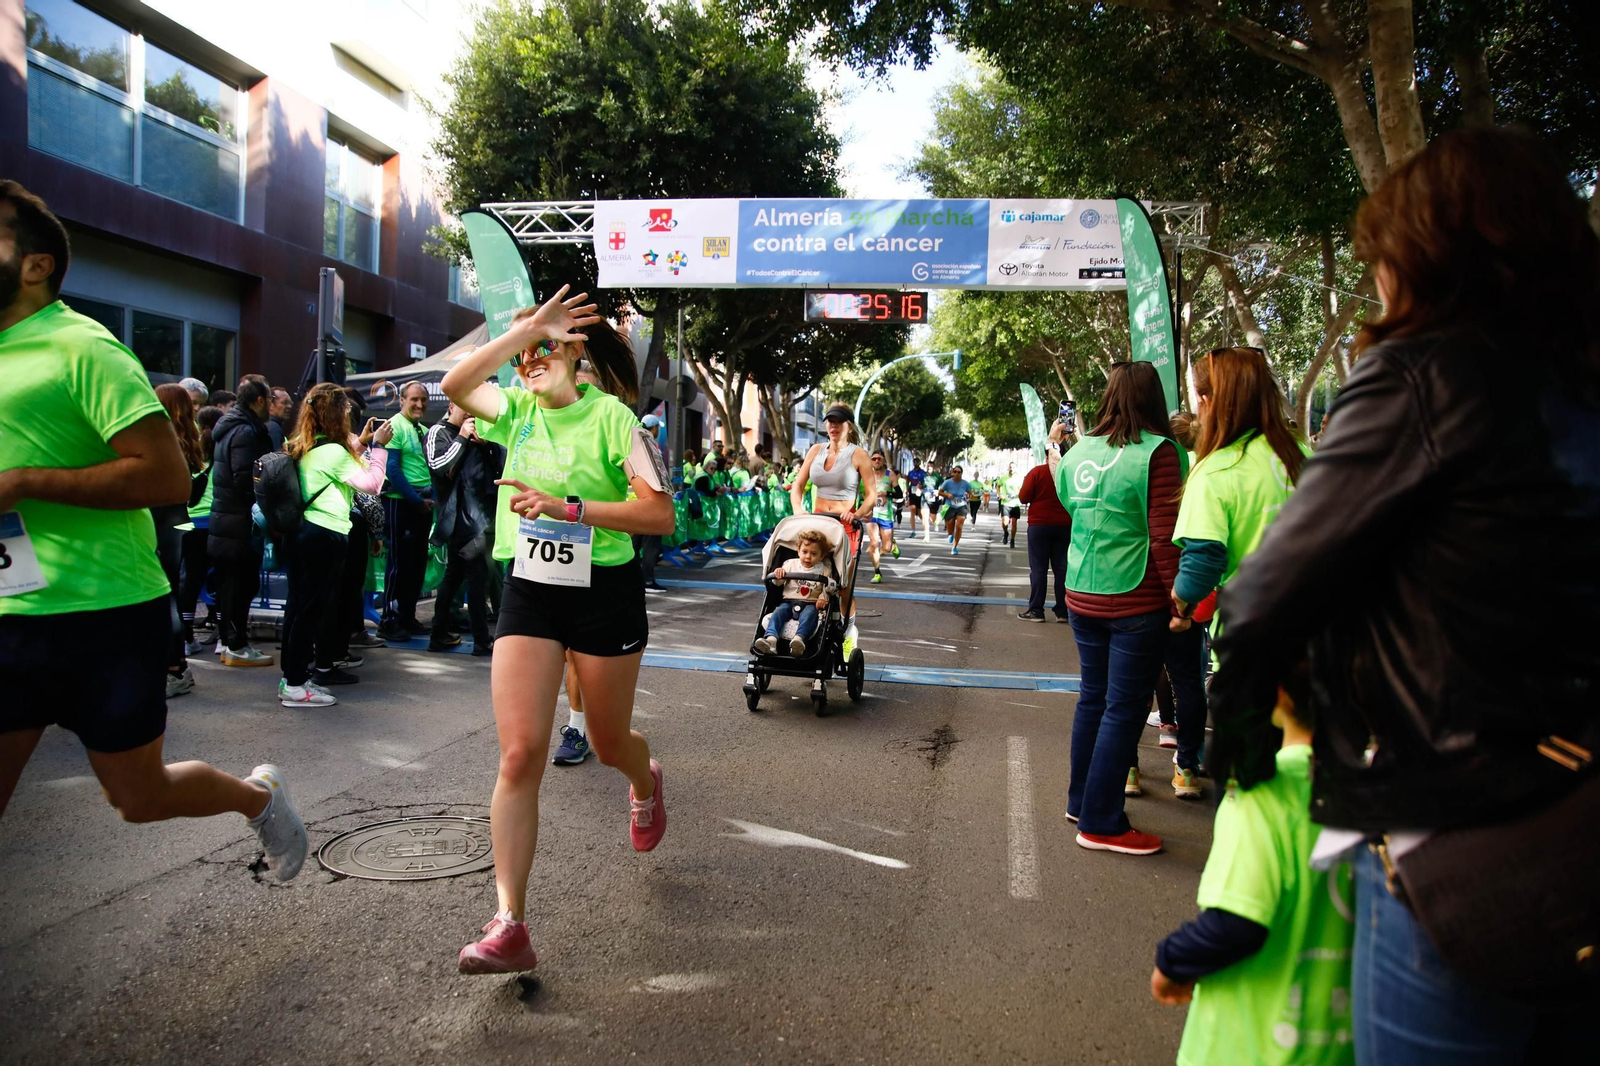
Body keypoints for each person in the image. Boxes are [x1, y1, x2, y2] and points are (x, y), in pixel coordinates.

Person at [1206, 127, 1598, 1061]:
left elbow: (1265, 593)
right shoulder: (1581, 384)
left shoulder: (1424, 374)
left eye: (1382, 256)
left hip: (1462, 826)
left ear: (1425, 255)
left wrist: (1241, 727)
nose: (1377, 279)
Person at [0, 179, 306, 879]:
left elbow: (165, 479)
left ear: (36, 263)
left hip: (103, 611)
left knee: (138, 796)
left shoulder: (83, 349)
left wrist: (20, 484)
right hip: (8, 612)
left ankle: (258, 798)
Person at [441, 286, 675, 974]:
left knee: (607, 743)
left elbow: (658, 516)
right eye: (523, 353)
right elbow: (455, 382)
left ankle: (644, 777)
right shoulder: (512, 413)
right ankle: (509, 923)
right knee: (519, 755)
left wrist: (574, 510)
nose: (530, 360)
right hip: (531, 594)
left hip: (605, 593)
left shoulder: (613, 420)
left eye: (547, 345)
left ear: (577, 352)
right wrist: (524, 332)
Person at [1151, 664, 1355, 1065]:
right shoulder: (1377, 789)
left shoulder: (1265, 794)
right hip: (1339, 1043)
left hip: (1248, 1046)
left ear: (1277, 692)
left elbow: (1236, 922)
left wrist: (1172, 961)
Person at [1165, 346, 1309, 801]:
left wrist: (1181, 607)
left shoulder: (1218, 469)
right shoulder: (1302, 454)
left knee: (1252, 777)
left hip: (1250, 638)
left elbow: (1204, 557)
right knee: (1303, 757)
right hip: (1313, 630)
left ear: (1209, 402)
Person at [1056, 361, 1183, 856]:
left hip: (1081, 590)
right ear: (1155, 398)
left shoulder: (1079, 450)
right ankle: (1102, 822)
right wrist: (1181, 597)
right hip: (1136, 599)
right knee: (1125, 707)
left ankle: (1081, 801)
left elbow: (1072, 505)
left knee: (1093, 696)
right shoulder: (1160, 453)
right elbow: (1164, 536)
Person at [278, 384, 391, 706]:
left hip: (302, 534)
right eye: (345, 412)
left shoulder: (304, 445)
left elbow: (335, 458)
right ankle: (297, 685)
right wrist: (379, 449)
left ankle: (291, 679)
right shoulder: (334, 452)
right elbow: (371, 485)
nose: (348, 417)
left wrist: (362, 442)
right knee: (310, 611)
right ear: (335, 415)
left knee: (297, 610)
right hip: (324, 536)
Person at [787, 404, 877, 660]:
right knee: (813, 579)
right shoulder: (815, 450)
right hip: (818, 526)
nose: (833, 426)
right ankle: (810, 631)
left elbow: (871, 495)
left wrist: (857, 513)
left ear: (848, 425)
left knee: (843, 587)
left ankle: (849, 634)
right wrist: (798, 508)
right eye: (829, 421)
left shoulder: (858, 454)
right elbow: (798, 485)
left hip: (845, 526)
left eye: (838, 421)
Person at [207, 376, 275, 667]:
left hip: (227, 519)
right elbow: (245, 477)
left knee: (232, 585)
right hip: (237, 521)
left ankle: (231, 641)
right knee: (239, 585)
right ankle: (235, 644)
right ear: (259, 400)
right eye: (270, 399)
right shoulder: (246, 431)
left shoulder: (230, 428)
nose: (272, 406)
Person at [425, 400, 497, 655]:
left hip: (479, 518)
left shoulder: (481, 433)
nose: (471, 413)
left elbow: (499, 470)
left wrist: (487, 446)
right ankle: (480, 640)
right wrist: (463, 437)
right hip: (458, 520)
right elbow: (438, 465)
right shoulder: (438, 432)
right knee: (475, 579)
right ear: (451, 405)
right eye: (465, 407)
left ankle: (439, 635)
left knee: (454, 578)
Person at [151, 384, 208, 697]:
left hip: (159, 524)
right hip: (178, 521)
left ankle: (174, 668)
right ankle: (175, 666)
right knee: (169, 593)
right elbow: (193, 489)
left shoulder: (161, 438)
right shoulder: (189, 438)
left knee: (163, 598)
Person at [378, 381, 434, 642]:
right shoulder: (393, 427)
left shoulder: (423, 429)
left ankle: (408, 617)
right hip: (400, 504)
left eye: (423, 399)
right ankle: (388, 620)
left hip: (421, 505)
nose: (420, 404)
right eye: (414, 399)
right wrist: (416, 500)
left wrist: (429, 497)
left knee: (416, 564)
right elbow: (393, 470)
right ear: (402, 400)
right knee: (398, 565)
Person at [178, 404, 223, 654]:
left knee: (191, 581)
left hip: (188, 523)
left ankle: (186, 639)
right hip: (213, 522)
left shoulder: (188, 451)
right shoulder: (222, 452)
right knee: (220, 579)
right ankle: (223, 638)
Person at [1016, 427, 1070, 622]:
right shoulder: (1069, 474)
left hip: (1039, 526)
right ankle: (1063, 611)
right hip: (1064, 526)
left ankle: (1036, 610)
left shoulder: (1037, 472)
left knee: (1038, 569)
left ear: (1047, 455)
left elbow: (1023, 497)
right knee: (1062, 568)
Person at [755, 528, 835, 655]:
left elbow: (828, 588)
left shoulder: (824, 569)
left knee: (809, 615)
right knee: (778, 613)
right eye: (805, 552)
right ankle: (771, 639)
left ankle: (799, 639)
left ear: (822, 556)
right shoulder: (790, 564)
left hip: (811, 603)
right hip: (788, 601)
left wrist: (822, 598)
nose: (808, 557)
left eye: (814, 554)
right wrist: (779, 574)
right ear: (798, 551)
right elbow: (778, 583)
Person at [634, 413, 665, 592]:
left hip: (634, 502)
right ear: (653, 428)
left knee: (635, 543)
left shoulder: (633, 441)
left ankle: (634, 579)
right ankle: (647, 580)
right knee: (651, 543)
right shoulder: (651, 445)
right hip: (650, 501)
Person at [866, 449, 899, 583]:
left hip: (886, 514)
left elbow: (899, 494)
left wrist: (887, 494)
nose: (876, 461)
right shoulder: (867, 475)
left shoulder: (890, 475)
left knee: (887, 547)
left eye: (879, 458)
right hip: (873, 514)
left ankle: (893, 545)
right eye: (874, 459)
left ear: (883, 460)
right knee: (874, 544)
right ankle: (877, 572)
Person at [935, 464, 974, 555]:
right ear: (952, 473)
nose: (956, 474)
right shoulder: (947, 482)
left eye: (959, 472)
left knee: (959, 526)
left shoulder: (965, 483)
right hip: (950, 506)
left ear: (961, 473)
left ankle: (954, 547)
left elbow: (970, 492)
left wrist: (969, 496)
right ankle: (950, 534)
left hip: (961, 506)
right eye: (955, 472)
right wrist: (948, 495)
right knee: (950, 526)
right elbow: (940, 492)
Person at [265, 387, 293, 451]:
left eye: (290, 403)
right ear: (271, 405)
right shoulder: (273, 428)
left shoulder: (269, 426)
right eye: (285, 403)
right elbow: (277, 458)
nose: (289, 406)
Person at [905, 456, 927, 537]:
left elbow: (926, 483)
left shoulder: (923, 473)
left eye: (917, 462)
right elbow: (907, 481)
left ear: (919, 463)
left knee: (920, 513)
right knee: (912, 510)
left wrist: (922, 488)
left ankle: (926, 526)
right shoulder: (910, 472)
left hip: (920, 494)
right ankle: (913, 530)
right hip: (912, 493)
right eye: (914, 462)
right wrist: (907, 490)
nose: (916, 463)